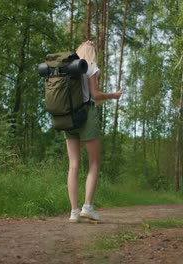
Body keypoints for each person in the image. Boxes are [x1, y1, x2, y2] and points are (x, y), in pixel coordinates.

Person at [66, 40, 123, 223]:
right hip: (87, 114)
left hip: (68, 116)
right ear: (92, 53)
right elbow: (95, 95)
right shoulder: (90, 66)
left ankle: (74, 212)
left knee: (73, 164)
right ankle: (87, 207)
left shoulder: (68, 68)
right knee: (94, 162)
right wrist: (113, 96)